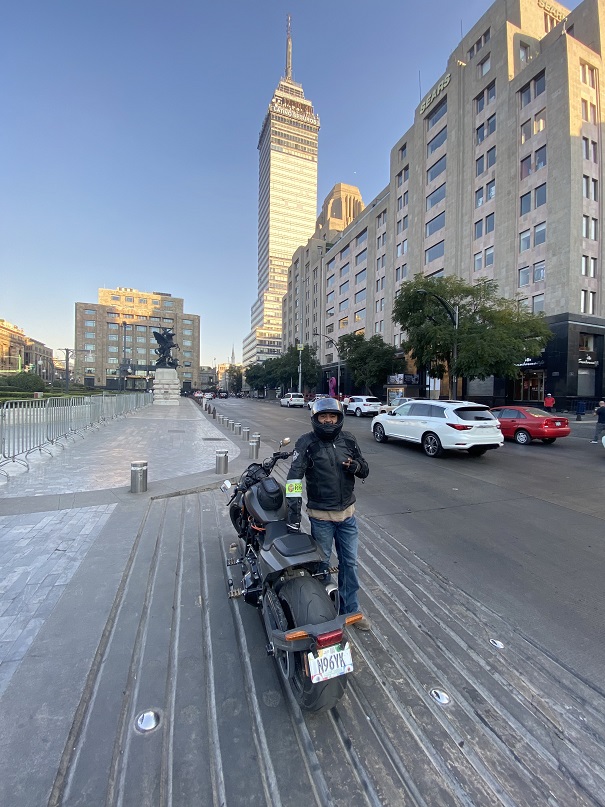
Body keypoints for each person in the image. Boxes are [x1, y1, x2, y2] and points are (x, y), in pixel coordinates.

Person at [285, 397, 371, 630]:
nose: (328, 420)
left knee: (350, 565)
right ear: (315, 418)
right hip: (321, 517)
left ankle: (351, 611)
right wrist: (293, 515)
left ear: (339, 418)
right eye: (324, 416)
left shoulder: (348, 440)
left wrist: (356, 467)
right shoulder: (306, 443)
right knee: (322, 568)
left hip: (348, 516)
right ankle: (324, 616)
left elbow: (365, 468)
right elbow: (293, 478)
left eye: (332, 416)